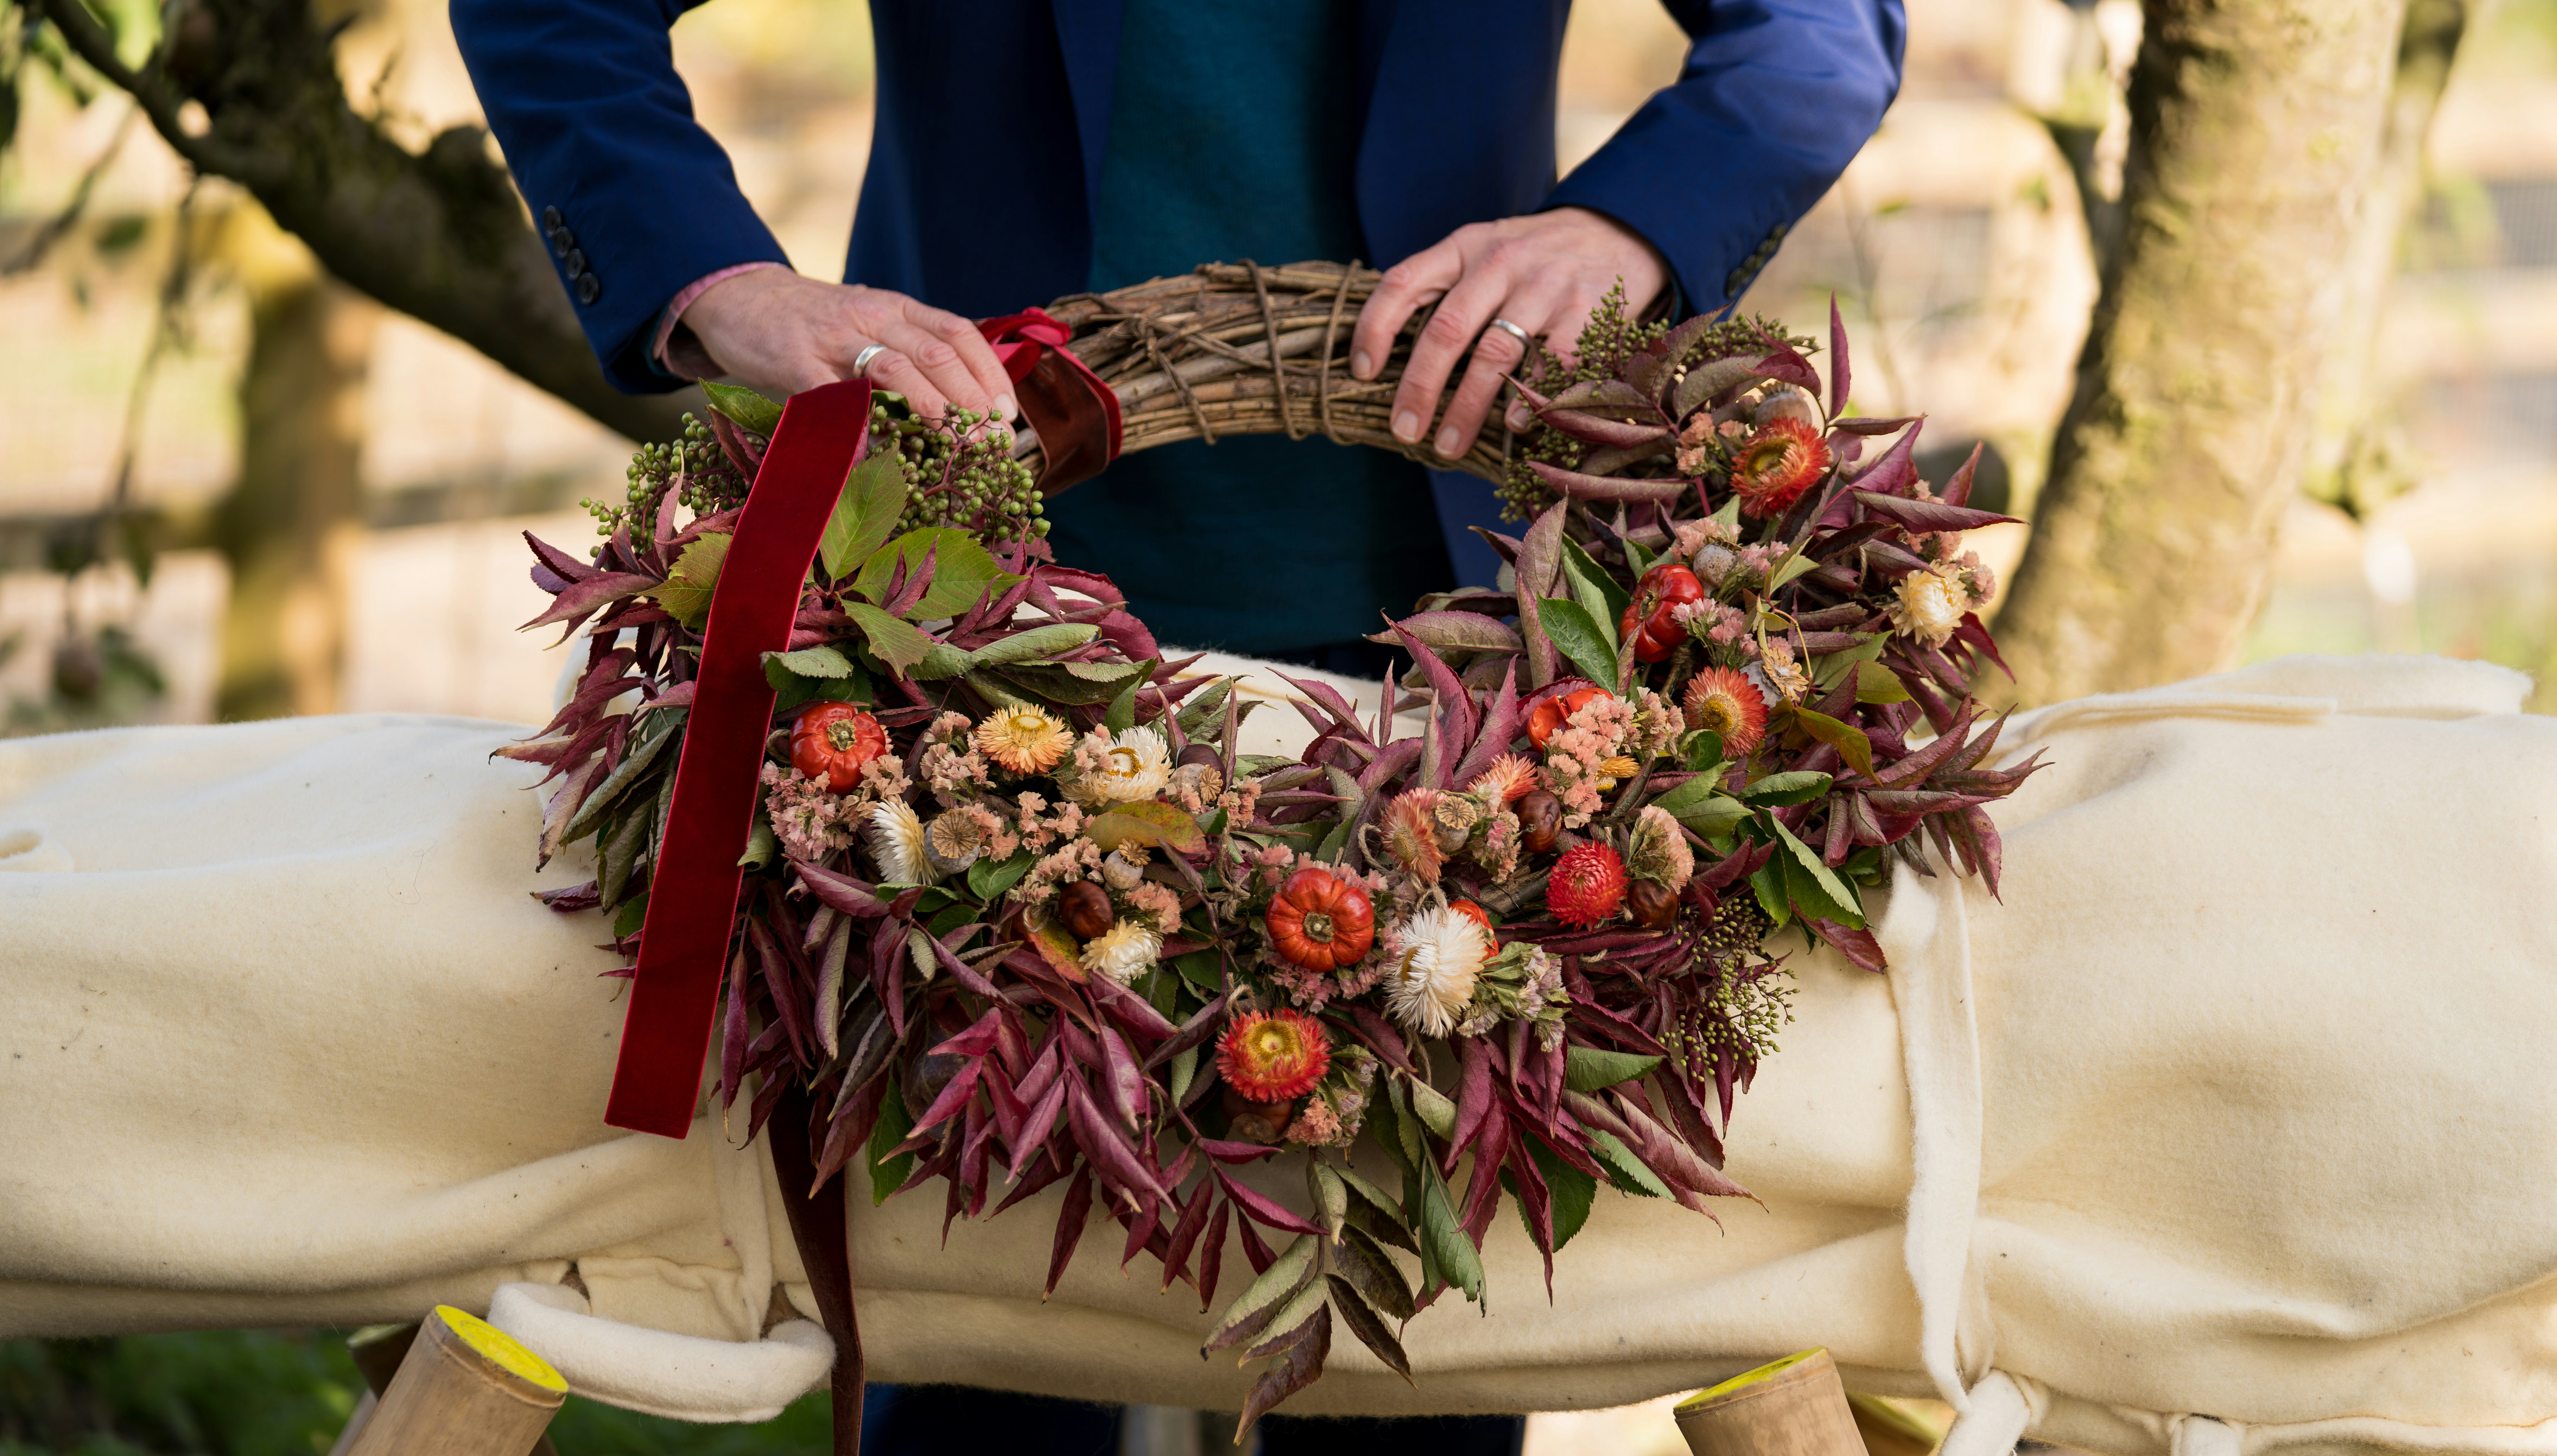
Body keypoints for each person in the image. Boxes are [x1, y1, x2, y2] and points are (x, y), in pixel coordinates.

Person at [451, 0, 1901, 1448]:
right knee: (976, 1336)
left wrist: (1630, 227)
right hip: (959, 649)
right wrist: (711, 276)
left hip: (1465, 649)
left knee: (1417, 1355)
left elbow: (1815, 31)